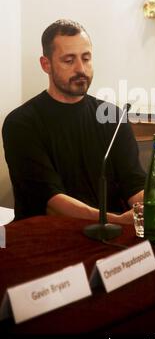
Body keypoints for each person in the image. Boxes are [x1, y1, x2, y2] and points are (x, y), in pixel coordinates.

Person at [2, 19, 145, 223]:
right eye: (69, 60)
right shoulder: (21, 123)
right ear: (46, 64)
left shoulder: (112, 116)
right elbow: (51, 202)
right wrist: (115, 221)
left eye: (86, 59)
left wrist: (149, 211)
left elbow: (135, 183)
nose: (81, 69)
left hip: (113, 237)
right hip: (48, 236)